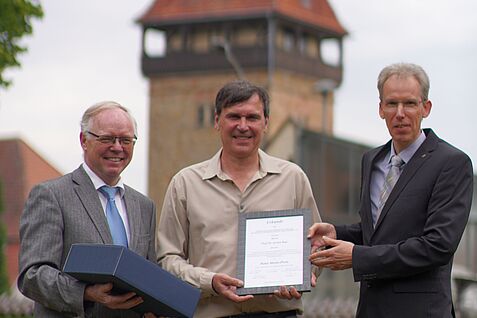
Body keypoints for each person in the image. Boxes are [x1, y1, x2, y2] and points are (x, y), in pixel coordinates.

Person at [308, 63, 473, 317]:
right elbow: (378, 233)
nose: (400, 113)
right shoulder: (372, 160)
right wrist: (336, 232)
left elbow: (437, 246)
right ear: (380, 109)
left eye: (409, 103)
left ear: (425, 108)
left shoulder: (451, 163)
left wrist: (357, 257)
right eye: (391, 103)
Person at [157, 80, 321, 318]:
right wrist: (209, 281)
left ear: (266, 122)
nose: (243, 126)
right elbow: (167, 259)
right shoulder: (185, 183)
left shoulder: (293, 178)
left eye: (252, 118)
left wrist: (303, 275)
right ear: (216, 121)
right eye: (234, 117)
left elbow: (315, 245)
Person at [18, 101, 157, 317]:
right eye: (107, 138)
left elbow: (149, 277)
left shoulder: (144, 206)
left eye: (126, 140)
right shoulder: (51, 195)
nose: (118, 147)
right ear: (84, 140)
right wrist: (86, 293)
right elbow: (32, 276)